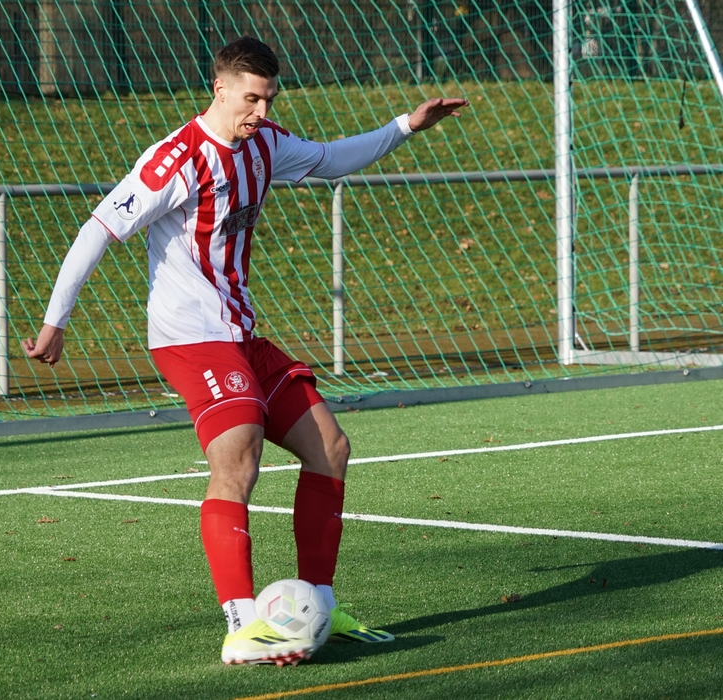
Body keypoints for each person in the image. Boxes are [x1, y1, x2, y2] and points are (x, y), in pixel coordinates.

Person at [23, 36, 468, 666]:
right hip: (190, 338)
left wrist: (406, 126)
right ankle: (241, 625)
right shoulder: (176, 158)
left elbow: (332, 159)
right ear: (221, 89)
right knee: (239, 458)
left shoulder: (265, 144)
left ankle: (318, 606)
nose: (261, 111)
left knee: (330, 447)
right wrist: (55, 322)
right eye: (252, 98)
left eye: (269, 99)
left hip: (241, 334)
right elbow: (98, 230)